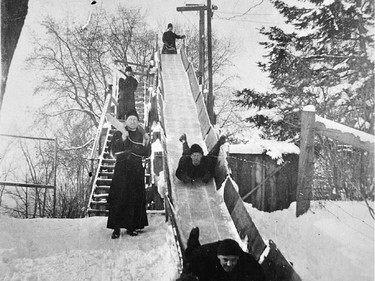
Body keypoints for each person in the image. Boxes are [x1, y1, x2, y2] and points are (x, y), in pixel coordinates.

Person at [107, 109, 151, 238]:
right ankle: (116, 228)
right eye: (130, 119)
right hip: (122, 169)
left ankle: (131, 227)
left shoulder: (142, 135)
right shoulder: (118, 133)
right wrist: (122, 138)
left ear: (138, 122)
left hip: (136, 170)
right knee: (119, 197)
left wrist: (147, 142)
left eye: (135, 120)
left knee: (134, 198)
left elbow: (146, 153)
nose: (133, 121)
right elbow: (112, 151)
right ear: (126, 121)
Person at [180, 227, 266, 281]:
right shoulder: (208, 255)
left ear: (238, 258)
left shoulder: (247, 261)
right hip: (206, 260)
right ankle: (193, 236)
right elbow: (189, 260)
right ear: (218, 257)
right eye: (225, 259)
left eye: (233, 260)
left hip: (225, 274)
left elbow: (260, 276)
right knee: (192, 250)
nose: (229, 264)